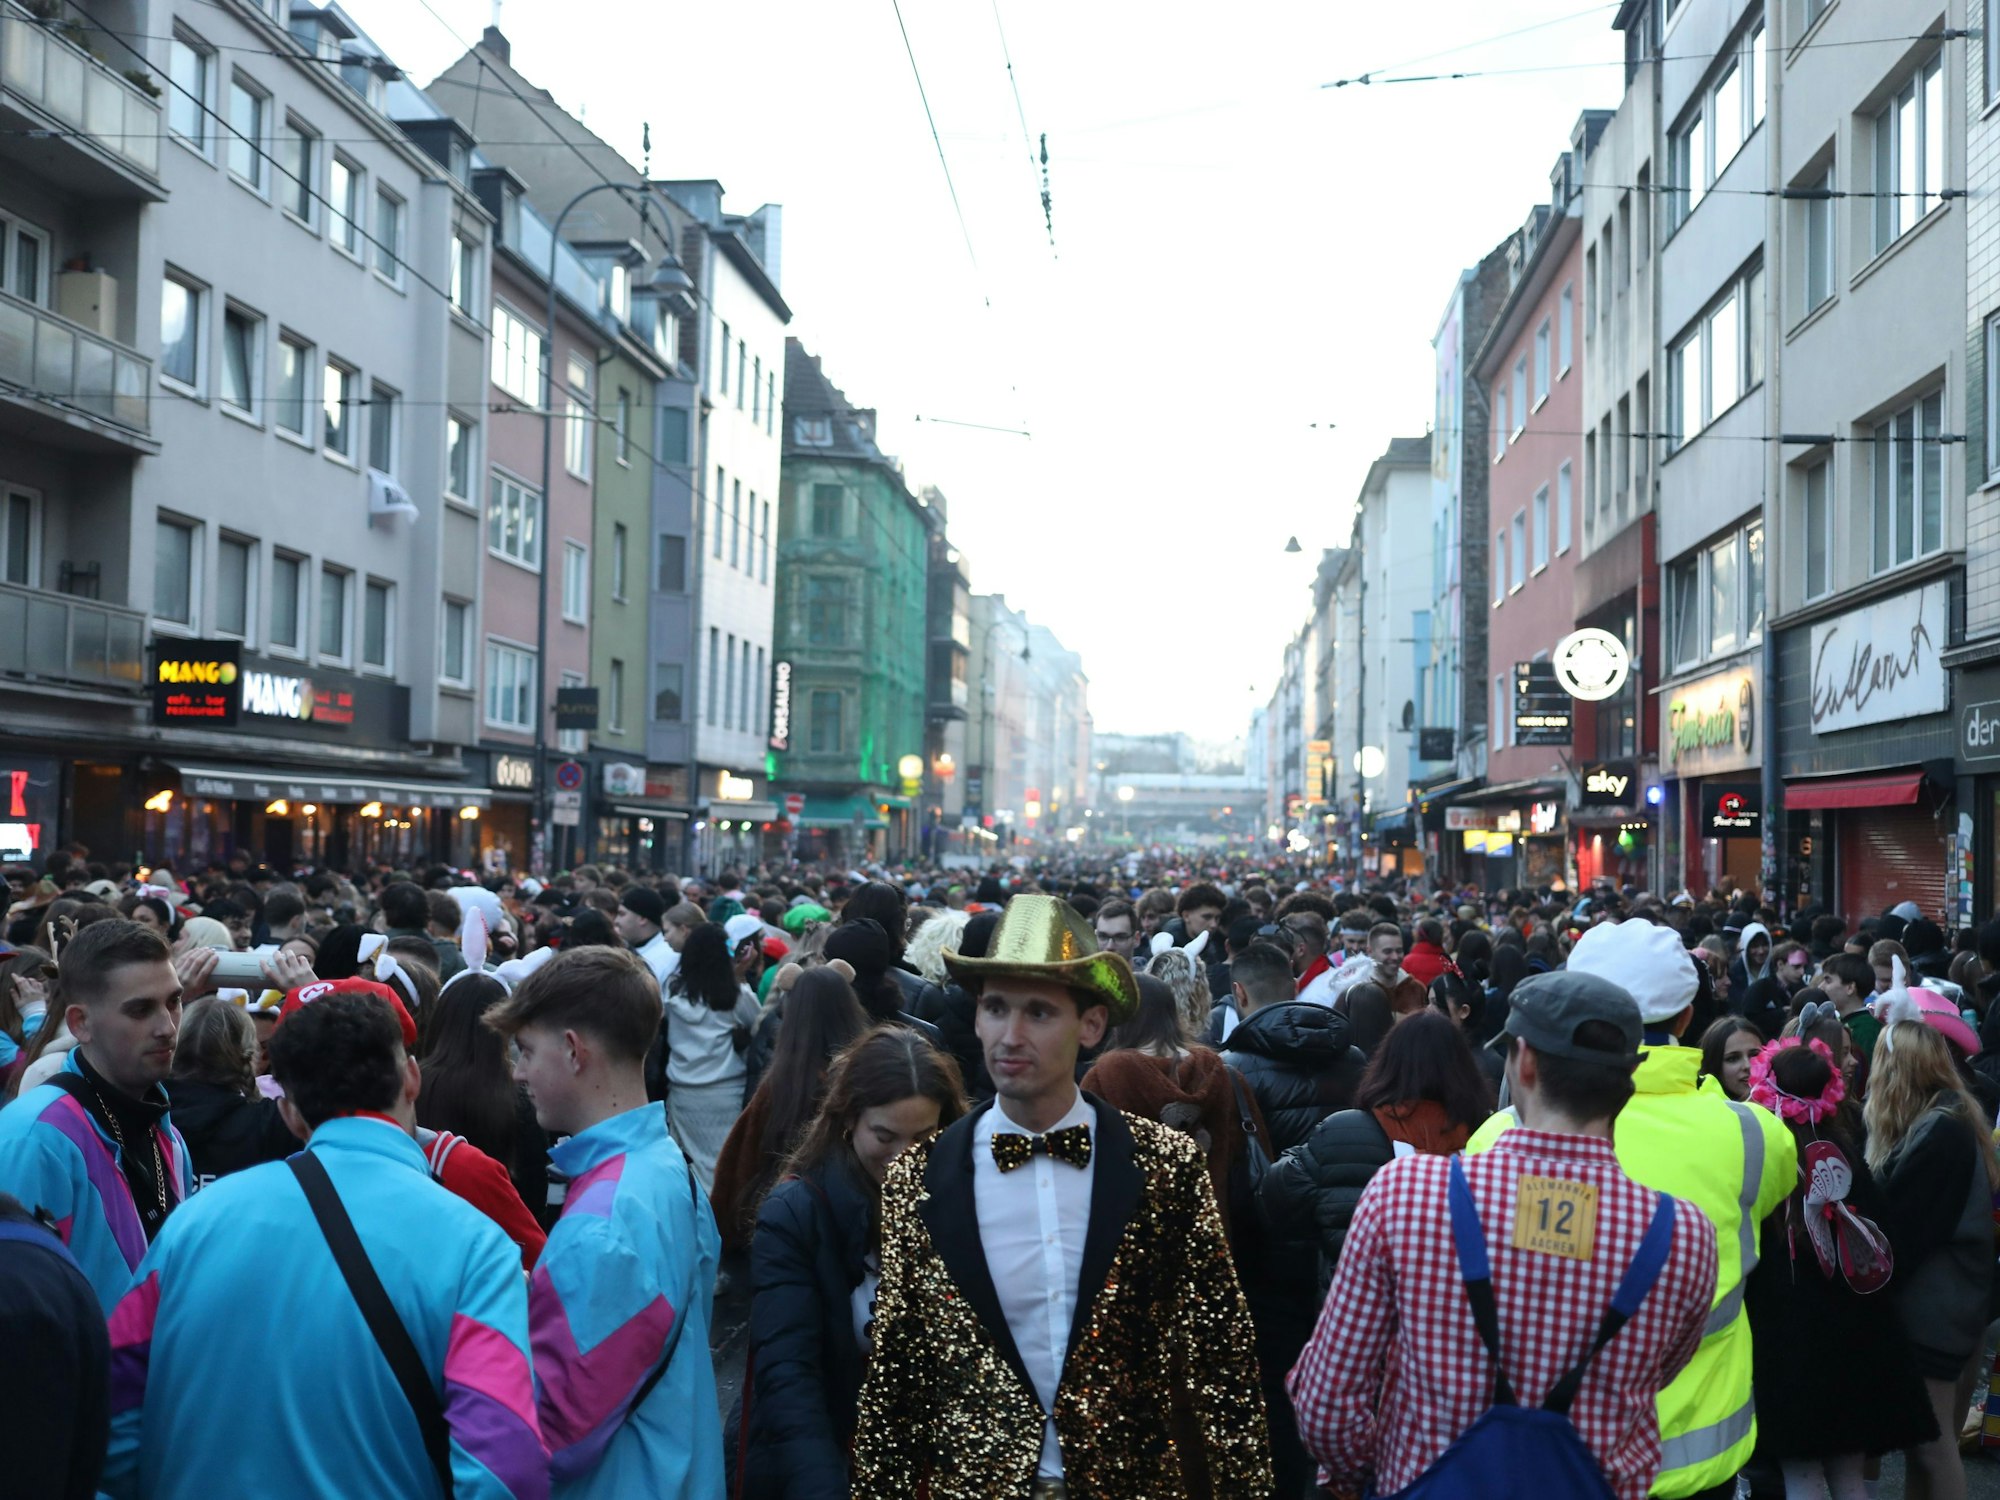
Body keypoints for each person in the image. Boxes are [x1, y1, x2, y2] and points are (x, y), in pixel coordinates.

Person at [851, 894, 1271, 1497]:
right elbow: (897, 1377)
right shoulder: (920, 1176)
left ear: (1091, 1025)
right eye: (996, 1008)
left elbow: (1221, 1357)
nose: (1010, 1035)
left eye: (1039, 1013)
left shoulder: (1165, 1165)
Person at [100, 985, 545, 1500]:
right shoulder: (477, 1248)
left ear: (288, 1112)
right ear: (412, 1078)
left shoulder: (191, 1227)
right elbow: (504, 1470)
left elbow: (113, 1412)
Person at [1289, 970, 1719, 1500]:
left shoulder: (1407, 1193)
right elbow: (1661, 1372)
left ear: (1526, 1062)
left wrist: (1370, 1478)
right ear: (1629, 1077)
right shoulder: (1683, 1236)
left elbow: (1327, 1403)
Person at [1467, 917, 1796, 1500]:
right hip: (1699, 1457)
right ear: (1688, 1018)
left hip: (1554, 1453)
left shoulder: (1501, 1136)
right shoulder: (1755, 1135)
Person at [487, 945, 724, 1499]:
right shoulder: (669, 1167)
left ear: (573, 1051)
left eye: (526, 1050)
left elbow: (548, 1439)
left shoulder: (601, 1225)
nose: (519, 1072)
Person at [737, 1027, 969, 1499]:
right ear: (848, 1120)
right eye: (885, 1136)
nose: (905, 1158)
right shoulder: (795, 1214)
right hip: (833, 1460)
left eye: (923, 1137)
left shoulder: (961, 1200)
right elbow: (789, 1375)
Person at [1741, 1037, 1936, 1500]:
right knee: (1849, 1478)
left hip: (1786, 1344)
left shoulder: (1763, 1161)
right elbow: (1884, 1240)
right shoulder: (1846, 1154)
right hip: (1854, 1340)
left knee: (1801, 1476)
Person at [0, 920, 209, 1313]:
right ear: (80, 1023)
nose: (167, 1027)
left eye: (174, 1001)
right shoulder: (33, 1139)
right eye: (140, 1010)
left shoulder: (169, 1137)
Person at [1865, 1017, 2000, 1500]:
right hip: (1949, 1303)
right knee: (1924, 1446)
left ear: (1897, 1068)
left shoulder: (1941, 1131)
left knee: (1933, 1446)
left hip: (1936, 1310)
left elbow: (1905, 1233)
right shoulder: (1948, 1117)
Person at [1080, 973, 1261, 1245]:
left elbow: (1084, 1162)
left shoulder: (1104, 1077)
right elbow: (1245, 1148)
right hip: (1212, 1235)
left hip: (1134, 1240)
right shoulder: (1220, 1073)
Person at [710, 965, 871, 1251]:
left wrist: (726, 1233)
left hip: (783, 1223)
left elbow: (740, 1161)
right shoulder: (867, 1079)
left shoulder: (782, 1085)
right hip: (858, 1225)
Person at [417, 972, 549, 1223]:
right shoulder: (518, 1096)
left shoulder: (411, 1085)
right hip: (500, 1230)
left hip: (425, 1221)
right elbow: (535, 1189)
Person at [1220, 938, 1366, 1152]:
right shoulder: (1354, 1058)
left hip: (1269, 1174)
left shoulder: (1230, 1069)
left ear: (1239, 992)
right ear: (1296, 987)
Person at [663, 921, 762, 1191]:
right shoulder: (735, 995)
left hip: (683, 1093)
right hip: (726, 1092)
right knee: (725, 1163)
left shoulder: (673, 991)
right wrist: (741, 976)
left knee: (691, 1165)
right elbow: (759, 1024)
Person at [166, 996, 295, 1188]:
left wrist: (182, 993)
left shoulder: (143, 1113)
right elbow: (331, 1092)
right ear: (249, 1054)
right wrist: (311, 990)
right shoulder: (270, 1122)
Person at [615, 886, 677, 989]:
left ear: (642, 919)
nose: (616, 921)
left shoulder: (667, 960)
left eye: (622, 914)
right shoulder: (624, 949)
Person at [1696, 1017, 1762, 1103]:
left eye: (1754, 1055)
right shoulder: (1700, 1107)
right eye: (1733, 1059)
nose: (1747, 1066)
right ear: (1713, 1065)